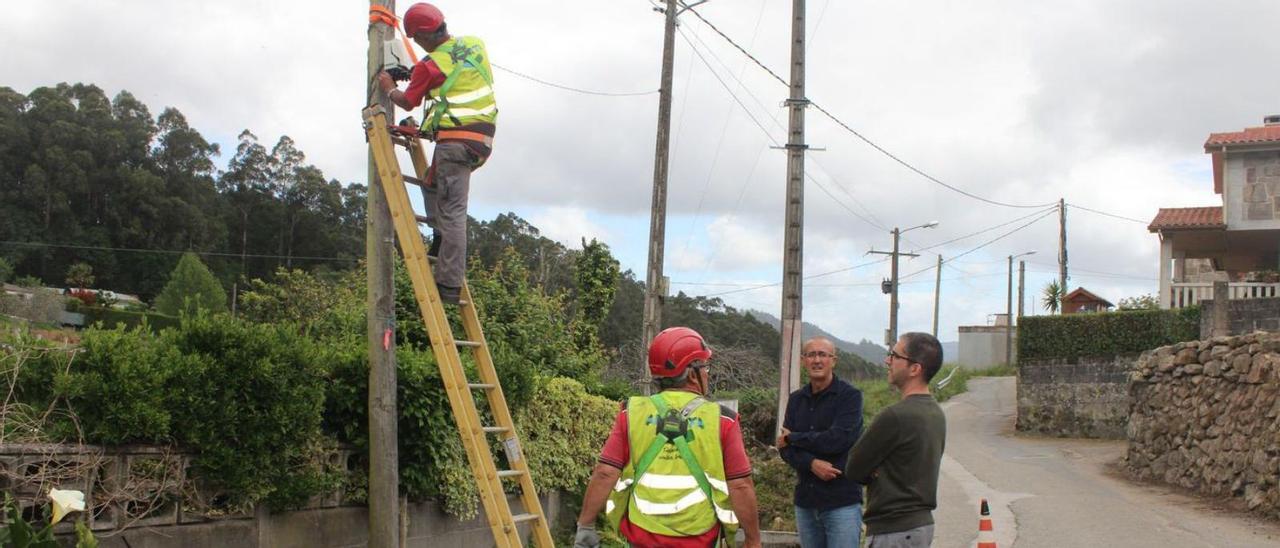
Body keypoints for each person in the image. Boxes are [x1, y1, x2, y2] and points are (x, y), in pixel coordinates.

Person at [574, 327, 763, 548]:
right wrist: (753, 540)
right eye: (705, 367)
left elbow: (605, 472)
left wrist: (585, 526)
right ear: (692, 373)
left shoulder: (631, 412)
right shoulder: (723, 420)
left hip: (642, 535)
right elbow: (740, 486)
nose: (707, 374)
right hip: (699, 537)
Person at [377, 2, 497, 304]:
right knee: (432, 184)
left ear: (420, 37)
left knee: (453, 214)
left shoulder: (428, 67)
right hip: (480, 141)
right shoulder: (474, 44)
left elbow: (407, 102)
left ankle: (448, 285)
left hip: (455, 145)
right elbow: (455, 83)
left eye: (416, 40)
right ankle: (441, 237)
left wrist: (391, 87)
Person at [844, 332, 946, 548]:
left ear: (914, 368)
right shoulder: (936, 413)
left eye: (895, 355)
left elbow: (853, 468)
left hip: (893, 531)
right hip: (920, 526)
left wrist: (878, 469)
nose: (887, 360)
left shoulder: (895, 416)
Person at [776, 337, 864, 547]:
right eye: (811, 355)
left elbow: (838, 440)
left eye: (823, 354)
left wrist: (794, 437)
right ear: (803, 360)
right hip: (806, 502)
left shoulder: (850, 397)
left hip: (841, 502)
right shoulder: (796, 399)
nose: (817, 360)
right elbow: (784, 450)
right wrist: (811, 464)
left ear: (833, 360)